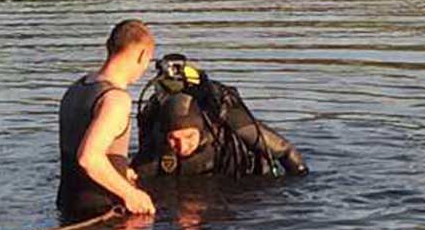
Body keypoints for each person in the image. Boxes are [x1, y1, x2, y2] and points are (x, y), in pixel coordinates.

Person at [132, 53, 308, 180]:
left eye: (189, 136)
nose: (182, 146)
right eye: (174, 139)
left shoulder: (229, 123)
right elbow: (134, 175)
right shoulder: (156, 142)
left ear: (201, 129)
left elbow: (286, 151)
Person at [57, 19, 157, 219]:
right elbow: (88, 158)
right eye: (148, 61)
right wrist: (131, 194)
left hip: (67, 205)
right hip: (101, 213)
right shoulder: (115, 99)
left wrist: (121, 172)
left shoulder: (76, 88)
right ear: (142, 55)